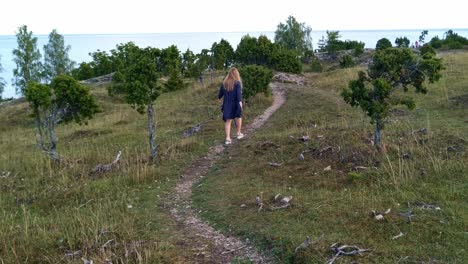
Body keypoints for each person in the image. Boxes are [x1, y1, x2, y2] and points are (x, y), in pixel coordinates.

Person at [218, 67, 244, 145]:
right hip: (236, 103)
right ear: (236, 74)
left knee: (228, 121)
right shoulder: (237, 83)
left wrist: (219, 99)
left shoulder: (224, 83)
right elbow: (239, 96)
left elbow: (220, 94)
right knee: (238, 118)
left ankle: (227, 139)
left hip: (227, 104)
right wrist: (240, 105)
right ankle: (238, 134)